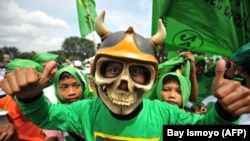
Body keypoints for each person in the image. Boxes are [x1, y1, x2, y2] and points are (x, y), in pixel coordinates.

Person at [0, 11, 249, 140]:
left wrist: (225, 114)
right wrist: (31, 97)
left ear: (151, 78)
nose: (123, 82)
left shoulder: (166, 116)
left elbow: (205, 132)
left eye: (138, 72)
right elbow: (47, 117)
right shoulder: (85, 112)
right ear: (96, 73)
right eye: (112, 69)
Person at [0, 58, 64, 141]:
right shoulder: (3, 103)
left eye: (26, 81)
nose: (16, 86)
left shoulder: (47, 106)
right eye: (10, 80)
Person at [53, 67, 96, 140]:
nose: (71, 92)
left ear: (84, 86)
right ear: (56, 89)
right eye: (64, 87)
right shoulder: (54, 116)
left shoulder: (95, 109)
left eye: (76, 85)